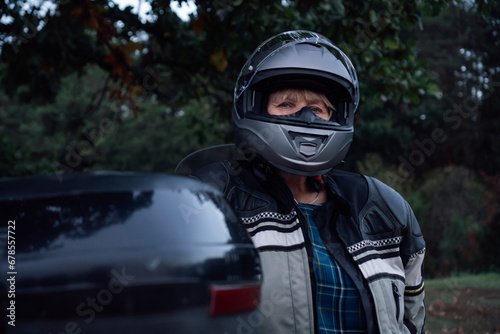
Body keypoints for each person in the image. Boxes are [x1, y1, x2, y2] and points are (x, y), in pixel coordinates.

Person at [192, 30, 426, 334]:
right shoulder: (212, 197)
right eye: (286, 104)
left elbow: (412, 318)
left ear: (336, 118)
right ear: (256, 107)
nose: (306, 119)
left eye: (317, 109)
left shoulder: (384, 207)